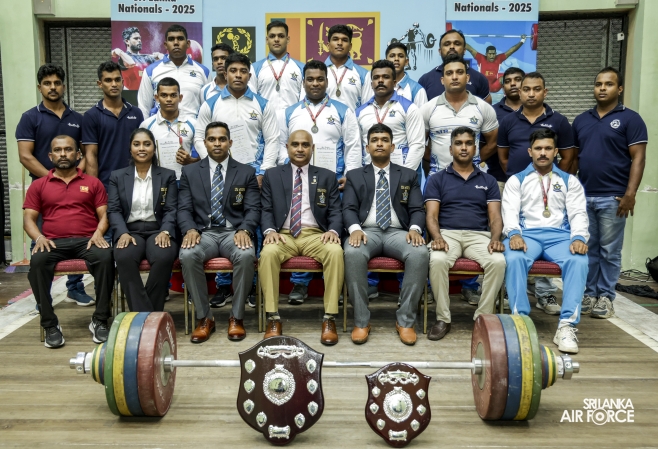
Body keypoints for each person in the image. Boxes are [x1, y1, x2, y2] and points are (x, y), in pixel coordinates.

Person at [278, 59, 361, 305]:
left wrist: (350, 175)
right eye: (310, 79)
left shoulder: (343, 111)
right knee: (301, 227)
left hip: (334, 183)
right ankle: (300, 283)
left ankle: (334, 286)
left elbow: (353, 145)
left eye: (320, 79)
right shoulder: (290, 112)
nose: (315, 83)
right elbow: (282, 146)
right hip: (300, 182)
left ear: (328, 81)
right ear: (303, 82)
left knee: (333, 233)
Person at [420, 55, 499, 305]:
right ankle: (431, 287)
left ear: (468, 77)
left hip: (472, 178)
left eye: (459, 72)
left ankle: (469, 286)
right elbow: (420, 142)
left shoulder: (483, 108)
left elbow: (492, 141)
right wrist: (437, 166)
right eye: (449, 73)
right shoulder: (429, 108)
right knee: (434, 231)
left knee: (471, 223)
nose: (454, 77)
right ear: (442, 79)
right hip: (437, 178)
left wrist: (471, 163)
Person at [502, 129, 589, 354]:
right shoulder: (516, 180)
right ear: (529, 151)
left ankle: (566, 326)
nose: (543, 153)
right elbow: (509, 211)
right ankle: (520, 323)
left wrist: (579, 237)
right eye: (538, 148)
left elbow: (578, 213)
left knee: (579, 260)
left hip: (559, 237)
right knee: (514, 257)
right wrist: (514, 234)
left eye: (548, 148)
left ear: (556, 151)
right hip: (527, 235)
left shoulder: (569, 181)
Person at [23, 135, 114, 348]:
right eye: (58, 150)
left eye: (68, 149)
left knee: (105, 258)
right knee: (37, 263)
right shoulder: (39, 185)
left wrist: (99, 233)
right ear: (50, 156)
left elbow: (105, 214)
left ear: (78, 154)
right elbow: (28, 219)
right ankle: (50, 324)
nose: (63, 154)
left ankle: (100, 320)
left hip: (87, 241)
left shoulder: (92, 183)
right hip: (53, 242)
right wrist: (39, 238)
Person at [573, 67, 648, 319]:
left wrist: (630, 194)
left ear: (620, 89)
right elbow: (574, 159)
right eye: (598, 84)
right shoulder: (581, 120)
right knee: (588, 249)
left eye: (608, 84)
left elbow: (638, 158)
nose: (602, 88)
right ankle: (589, 294)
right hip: (584, 197)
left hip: (613, 197)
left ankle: (605, 297)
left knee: (609, 251)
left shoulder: (631, 119)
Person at [343, 123, 428, 345]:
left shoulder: (408, 175)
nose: (379, 144)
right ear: (367, 147)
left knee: (419, 253)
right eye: (374, 140)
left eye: (384, 140)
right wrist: (355, 229)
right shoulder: (354, 175)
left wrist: (414, 229)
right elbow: (348, 208)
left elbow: (417, 209)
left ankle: (405, 321)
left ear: (392, 146)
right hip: (366, 232)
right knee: (352, 252)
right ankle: (361, 321)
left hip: (398, 232)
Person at [497, 72, 576, 312]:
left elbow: (568, 156)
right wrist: (520, 180)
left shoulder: (559, 121)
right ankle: (511, 292)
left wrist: (551, 182)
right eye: (526, 89)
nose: (531, 94)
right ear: (520, 92)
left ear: (545, 92)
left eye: (536, 89)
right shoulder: (508, 121)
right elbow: (503, 157)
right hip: (515, 189)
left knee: (549, 234)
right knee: (513, 238)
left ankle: (545, 293)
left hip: (550, 190)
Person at [15, 63, 91, 306]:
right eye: (47, 83)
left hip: (75, 188)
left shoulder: (77, 119)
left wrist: (75, 176)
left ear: (64, 86)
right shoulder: (30, 117)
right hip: (43, 189)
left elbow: (87, 153)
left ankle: (75, 288)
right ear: (40, 87)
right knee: (41, 239)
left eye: (57, 83)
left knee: (76, 234)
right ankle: (43, 296)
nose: (53, 87)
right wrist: (53, 179)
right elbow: (25, 156)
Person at [178, 122, 260, 343]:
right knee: (187, 254)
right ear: (205, 143)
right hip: (203, 233)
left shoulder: (246, 172)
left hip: (233, 233)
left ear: (230, 143)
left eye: (222, 139)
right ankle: (205, 317)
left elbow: (253, 209)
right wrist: (190, 229)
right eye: (212, 139)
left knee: (246, 255)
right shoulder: (190, 172)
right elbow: (183, 208)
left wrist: (245, 229)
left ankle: (237, 317)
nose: (217, 143)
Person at [259, 130, 343, 345]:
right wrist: (269, 231)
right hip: (283, 235)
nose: (299, 149)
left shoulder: (326, 176)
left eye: (305, 145)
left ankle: (329, 317)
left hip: (315, 235)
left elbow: (335, 211)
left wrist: (333, 231)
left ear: (312, 148)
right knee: (268, 254)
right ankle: (273, 317)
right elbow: (266, 209)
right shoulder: (272, 175)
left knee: (335, 251)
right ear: (287, 147)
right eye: (295, 144)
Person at [424, 127, 506, 340]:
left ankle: (483, 318)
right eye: (458, 143)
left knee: (498, 262)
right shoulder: (437, 179)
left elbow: (495, 217)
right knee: (437, 259)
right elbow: (431, 216)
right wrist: (437, 237)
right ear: (450, 149)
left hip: (478, 236)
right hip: (447, 235)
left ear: (475, 148)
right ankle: (443, 318)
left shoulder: (488, 180)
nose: (463, 147)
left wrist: (495, 239)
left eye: (468, 143)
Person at [107, 129, 178, 312]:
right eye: (136, 144)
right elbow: (114, 210)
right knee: (124, 257)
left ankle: (143, 315)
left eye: (147, 144)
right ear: (130, 148)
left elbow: (171, 209)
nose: (141, 148)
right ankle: (148, 315)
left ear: (154, 148)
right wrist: (122, 233)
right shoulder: (117, 176)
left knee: (164, 256)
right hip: (130, 232)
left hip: (158, 230)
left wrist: (165, 231)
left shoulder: (167, 175)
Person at [195, 53, 279, 186]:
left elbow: (272, 139)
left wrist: (264, 172)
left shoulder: (264, 105)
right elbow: (199, 138)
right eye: (233, 71)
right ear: (225, 75)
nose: (238, 75)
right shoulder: (210, 105)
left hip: (255, 173)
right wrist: (213, 165)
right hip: (220, 172)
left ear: (249, 76)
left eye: (243, 71)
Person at [83, 61, 144, 191]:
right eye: (108, 80)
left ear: (123, 82)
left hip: (135, 185)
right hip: (106, 186)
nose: (114, 84)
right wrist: (95, 190)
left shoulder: (136, 113)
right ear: (100, 84)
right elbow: (91, 155)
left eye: (117, 80)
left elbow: (143, 150)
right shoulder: (91, 115)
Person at [137, 24, 210, 118]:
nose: (176, 43)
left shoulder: (203, 71)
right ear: (165, 45)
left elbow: (208, 108)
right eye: (171, 39)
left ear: (188, 43)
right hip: (160, 126)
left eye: (180, 39)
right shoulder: (151, 71)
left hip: (193, 126)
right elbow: (144, 107)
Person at [140, 77, 198, 180]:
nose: (169, 99)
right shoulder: (146, 125)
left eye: (173, 95)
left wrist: (191, 161)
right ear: (157, 98)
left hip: (185, 181)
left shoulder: (193, 124)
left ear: (180, 97)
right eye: (164, 95)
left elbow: (205, 155)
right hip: (157, 181)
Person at [418, 29, 491, 102]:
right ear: (440, 51)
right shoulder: (425, 80)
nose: (452, 47)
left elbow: (486, 107)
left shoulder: (479, 78)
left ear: (464, 50)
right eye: (447, 44)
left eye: (457, 44)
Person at [249, 21, 305, 111]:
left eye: (281, 36)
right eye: (272, 36)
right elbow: (252, 100)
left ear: (288, 39)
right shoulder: (254, 68)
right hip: (265, 118)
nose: (276, 39)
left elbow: (304, 100)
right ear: (267, 40)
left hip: (293, 118)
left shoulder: (302, 68)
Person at [489, 67, 525, 193]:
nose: (513, 84)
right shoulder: (492, 112)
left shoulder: (536, 111)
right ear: (503, 87)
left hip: (535, 181)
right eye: (508, 81)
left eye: (517, 80)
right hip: (499, 180)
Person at [323, 24, 374, 111]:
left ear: (350, 46)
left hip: (353, 120)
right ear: (328, 45)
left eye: (344, 40)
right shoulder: (317, 72)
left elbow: (367, 108)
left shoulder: (364, 74)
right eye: (335, 39)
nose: (339, 43)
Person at [112, 26, 164, 90]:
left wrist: (161, 56)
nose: (139, 40)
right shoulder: (124, 57)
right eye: (136, 38)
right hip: (131, 94)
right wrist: (118, 51)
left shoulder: (148, 58)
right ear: (127, 41)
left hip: (147, 94)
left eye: (139, 38)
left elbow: (164, 67)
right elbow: (131, 63)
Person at [385, 42, 428, 108]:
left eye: (400, 56)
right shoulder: (379, 87)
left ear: (406, 62)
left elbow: (422, 114)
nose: (396, 59)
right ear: (386, 61)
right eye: (392, 56)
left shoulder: (417, 89)